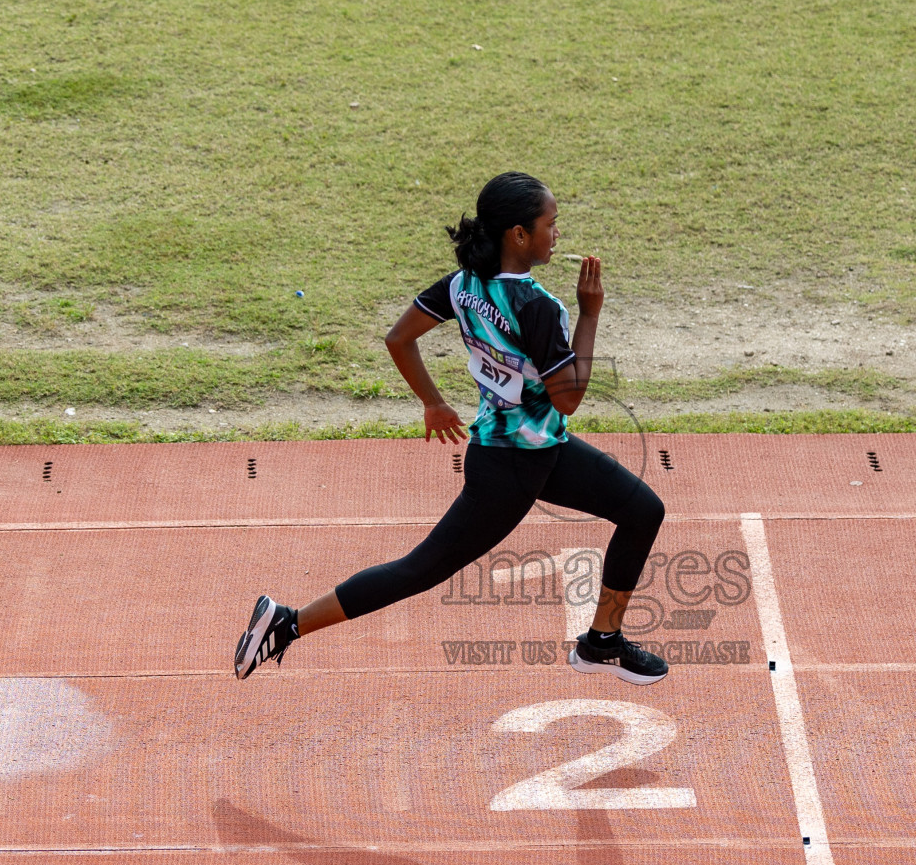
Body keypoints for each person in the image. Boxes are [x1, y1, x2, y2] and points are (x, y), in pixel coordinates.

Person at [234, 171, 668, 684]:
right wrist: (590, 314)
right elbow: (569, 398)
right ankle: (286, 623)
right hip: (510, 466)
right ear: (518, 235)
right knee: (419, 570)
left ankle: (602, 642)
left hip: (537, 448)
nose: (558, 235)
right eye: (552, 224)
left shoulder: (463, 284)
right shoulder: (538, 308)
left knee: (643, 510)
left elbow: (400, 338)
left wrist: (433, 404)